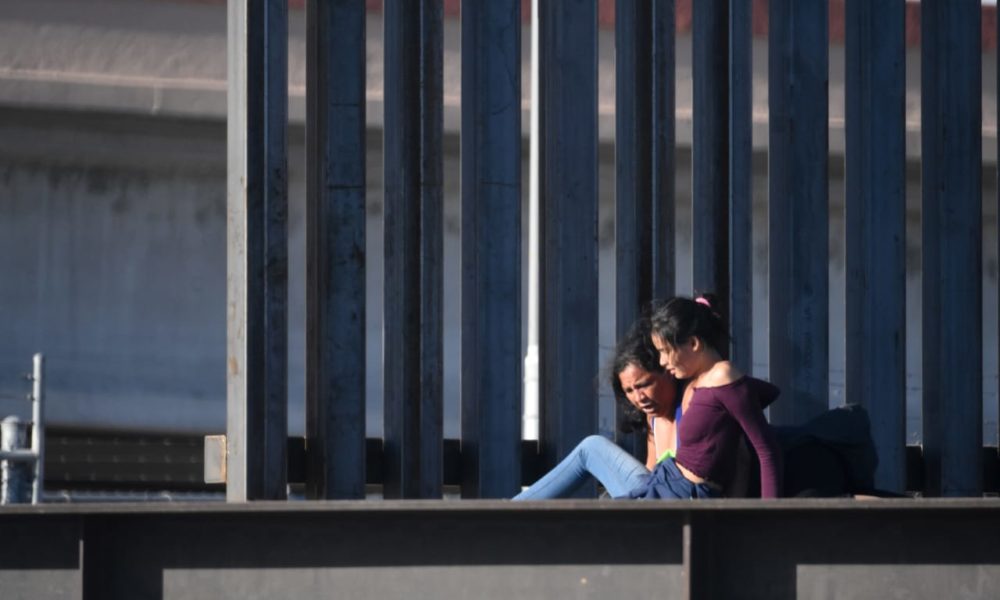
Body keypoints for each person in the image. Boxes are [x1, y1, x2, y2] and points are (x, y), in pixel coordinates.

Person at [631, 294, 783, 499]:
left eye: (666, 351)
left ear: (694, 343)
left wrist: (770, 514)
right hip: (666, 481)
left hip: (683, 492)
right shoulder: (696, 381)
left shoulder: (722, 375)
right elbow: (767, 392)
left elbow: (766, 450)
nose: (662, 361)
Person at [512, 317, 682, 500]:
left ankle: (505, 515)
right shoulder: (653, 418)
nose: (639, 398)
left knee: (591, 448)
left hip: (675, 503)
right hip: (654, 497)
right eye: (629, 390)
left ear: (667, 371)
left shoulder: (689, 407)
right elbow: (650, 472)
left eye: (645, 385)